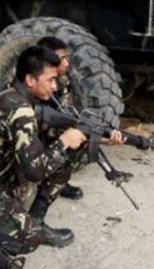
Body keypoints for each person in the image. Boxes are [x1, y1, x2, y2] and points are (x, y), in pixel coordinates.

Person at [0, 46, 88, 252]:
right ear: (30, 80)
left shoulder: (11, 92)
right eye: (50, 80)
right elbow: (35, 172)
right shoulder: (20, 109)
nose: (54, 86)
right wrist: (63, 141)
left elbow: (39, 132)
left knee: (63, 158)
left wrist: (88, 136)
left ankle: (30, 219)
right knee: (29, 240)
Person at [36, 36, 125, 200]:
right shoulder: (33, 82)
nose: (67, 63)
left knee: (79, 138)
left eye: (67, 57)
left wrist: (97, 136)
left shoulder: (62, 80)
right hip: (30, 137)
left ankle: (56, 181)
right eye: (62, 58)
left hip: (45, 129)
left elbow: (63, 113)